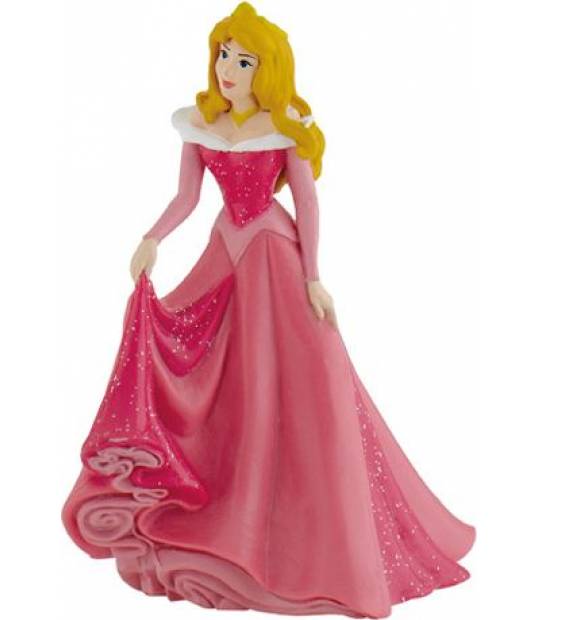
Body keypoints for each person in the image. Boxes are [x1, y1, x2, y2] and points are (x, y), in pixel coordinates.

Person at [61, 3, 475, 617]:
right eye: (224, 55)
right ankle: (220, 492)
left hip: (273, 254)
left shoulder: (285, 126)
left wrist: (314, 278)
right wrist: (151, 238)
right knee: (197, 351)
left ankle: (293, 519)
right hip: (224, 250)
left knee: (296, 379)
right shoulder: (200, 124)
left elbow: (307, 204)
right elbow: (186, 197)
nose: (228, 69)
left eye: (244, 60)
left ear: (268, 69)